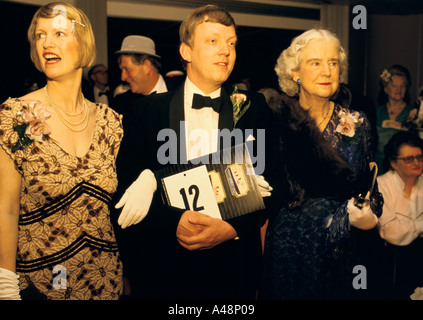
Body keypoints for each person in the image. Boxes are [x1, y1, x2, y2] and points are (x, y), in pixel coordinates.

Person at [114, 4, 272, 300]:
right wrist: (172, 221)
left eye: (231, 43)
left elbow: (271, 185)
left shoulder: (254, 108)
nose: (225, 50)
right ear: (186, 52)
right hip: (166, 272)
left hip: (233, 273)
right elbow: (124, 190)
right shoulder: (146, 111)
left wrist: (230, 228)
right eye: (212, 41)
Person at [0, 2, 123, 300]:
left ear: (83, 45)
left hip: (106, 280)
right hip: (45, 286)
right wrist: (6, 285)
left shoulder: (110, 122)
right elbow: (6, 209)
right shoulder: (18, 115)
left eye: (58, 33)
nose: (47, 43)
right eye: (40, 36)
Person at [260, 29, 383, 300]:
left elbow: (370, 188)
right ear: (296, 73)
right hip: (288, 248)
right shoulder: (274, 120)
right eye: (315, 63)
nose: (327, 71)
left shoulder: (358, 123)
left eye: (333, 63)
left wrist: (368, 214)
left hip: (338, 247)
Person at [376, 131, 423, 299]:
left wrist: (409, 228)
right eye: (409, 159)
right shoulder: (382, 185)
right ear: (394, 163)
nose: (417, 163)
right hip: (391, 263)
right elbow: (392, 233)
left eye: (420, 157)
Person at [112, 35, 169, 116]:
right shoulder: (122, 105)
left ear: (147, 66)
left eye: (127, 69)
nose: (123, 77)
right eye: (122, 70)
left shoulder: (182, 90)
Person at [375, 65, 416, 174]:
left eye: (403, 86)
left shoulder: (413, 113)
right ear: (385, 89)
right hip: (379, 167)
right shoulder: (377, 112)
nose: (398, 89)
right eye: (394, 85)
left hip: (405, 168)